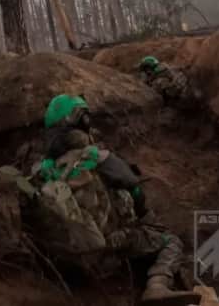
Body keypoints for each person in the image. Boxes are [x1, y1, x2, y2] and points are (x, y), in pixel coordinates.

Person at [37, 94, 201, 305]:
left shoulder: (44, 169)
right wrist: (144, 216)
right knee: (171, 241)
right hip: (109, 251)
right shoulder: (97, 157)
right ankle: (157, 287)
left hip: (67, 260)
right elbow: (133, 187)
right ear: (80, 121)